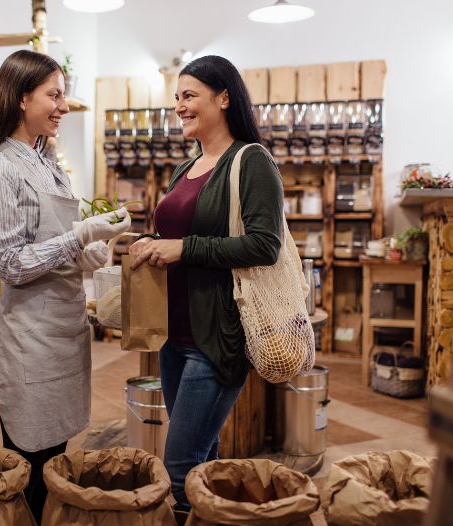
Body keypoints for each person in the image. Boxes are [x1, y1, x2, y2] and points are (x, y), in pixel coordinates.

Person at [0, 49, 131, 522]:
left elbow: (51, 245)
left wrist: (96, 247)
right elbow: (12, 265)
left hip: (62, 333)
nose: (65, 105)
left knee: (55, 460)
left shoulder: (47, 161)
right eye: (54, 95)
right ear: (20, 98)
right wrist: (80, 235)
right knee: (29, 471)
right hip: (30, 343)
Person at [129, 55, 283, 511]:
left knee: (179, 466)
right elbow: (178, 238)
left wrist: (184, 248)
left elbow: (263, 245)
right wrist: (150, 244)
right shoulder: (186, 168)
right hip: (173, 338)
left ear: (224, 98)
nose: (179, 106)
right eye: (177, 97)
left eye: (190, 95)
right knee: (201, 463)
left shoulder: (251, 162)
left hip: (216, 339)